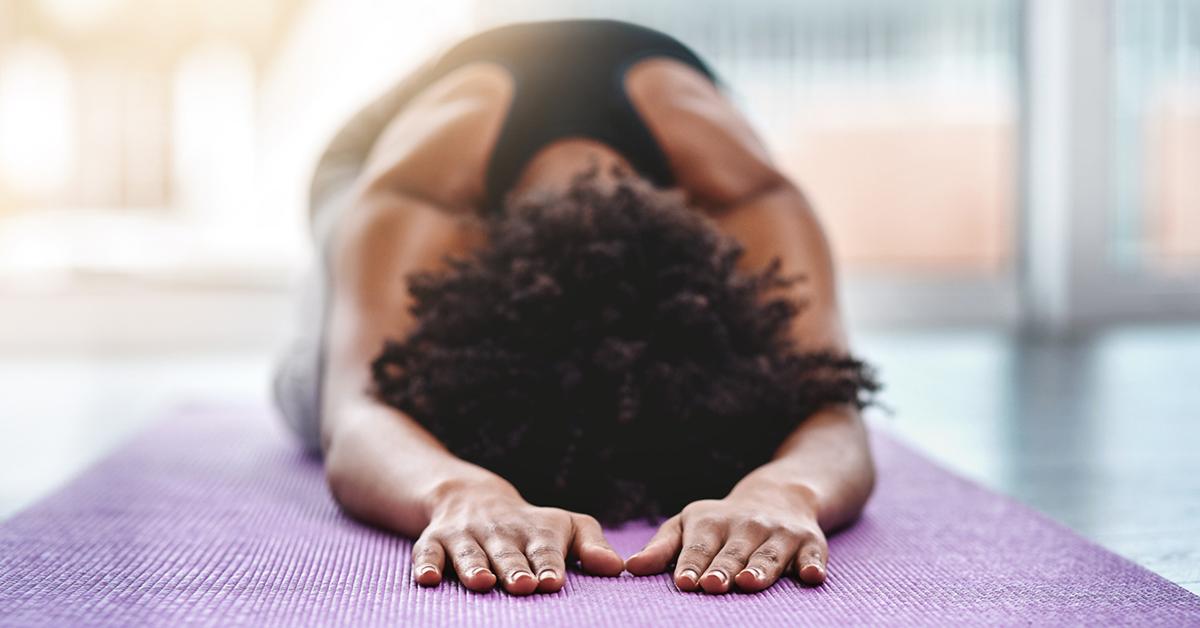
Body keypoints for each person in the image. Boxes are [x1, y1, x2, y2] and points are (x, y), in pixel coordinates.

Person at [273, 19, 878, 597]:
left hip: (655, 142)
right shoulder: (421, 194)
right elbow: (356, 414)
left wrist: (785, 490)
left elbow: (831, 404)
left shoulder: (748, 196)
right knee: (316, 384)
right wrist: (458, 490)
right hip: (377, 155)